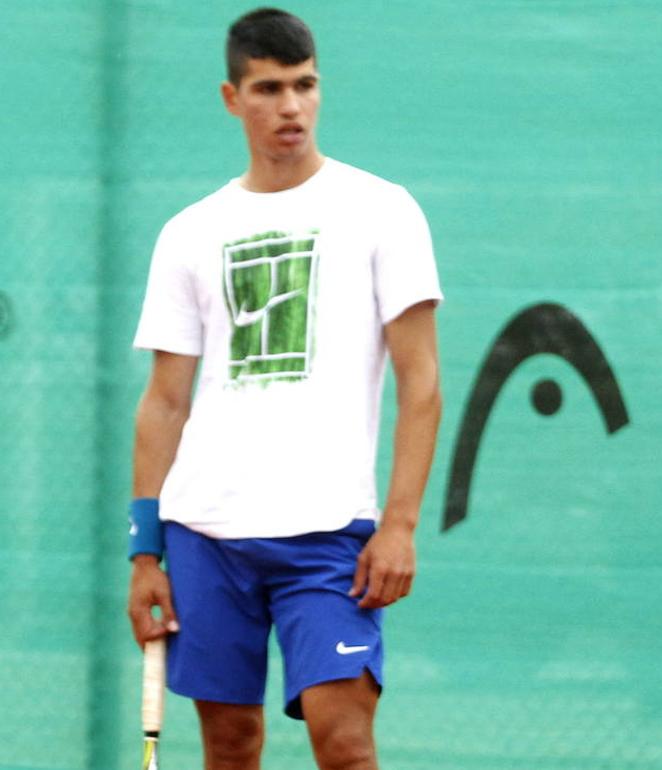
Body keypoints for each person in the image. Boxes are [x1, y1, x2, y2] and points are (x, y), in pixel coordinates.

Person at [125, 8, 442, 769]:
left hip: (331, 538)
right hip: (205, 536)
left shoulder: (382, 209)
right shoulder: (190, 231)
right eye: (269, 89)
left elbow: (421, 381)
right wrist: (144, 554)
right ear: (233, 98)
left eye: (305, 86)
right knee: (231, 748)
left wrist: (397, 526)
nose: (291, 106)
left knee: (345, 745)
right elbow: (164, 399)